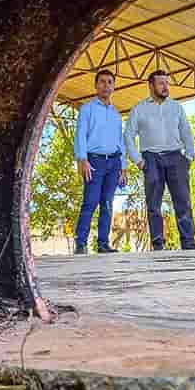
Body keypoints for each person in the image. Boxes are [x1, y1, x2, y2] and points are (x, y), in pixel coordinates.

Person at [124, 70, 195, 251]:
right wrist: (138, 161)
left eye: (167, 83)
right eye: (161, 83)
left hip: (176, 157)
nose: (166, 87)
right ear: (151, 86)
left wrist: (189, 156)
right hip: (151, 159)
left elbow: (186, 131)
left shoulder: (176, 107)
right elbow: (128, 135)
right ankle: (158, 244)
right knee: (154, 205)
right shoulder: (139, 109)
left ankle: (188, 242)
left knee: (183, 202)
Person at [72, 69, 127, 255]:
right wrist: (82, 159)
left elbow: (120, 141)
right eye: (102, 82)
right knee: (90, 202)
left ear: (114, 86)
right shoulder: (87, 109)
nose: (106, 85)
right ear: (96, 85)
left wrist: (123, 167)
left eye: (109, 82)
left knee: (108, 203)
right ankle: (81, 243)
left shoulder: (116, 114)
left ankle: (103, 244)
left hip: (114, 163)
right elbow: (80, 135)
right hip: (94, 162)